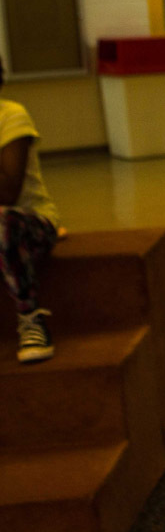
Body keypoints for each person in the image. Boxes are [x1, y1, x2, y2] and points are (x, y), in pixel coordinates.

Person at [0, 56, 60, 363]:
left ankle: (31, 319)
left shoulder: (12, 115)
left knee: (1, 221)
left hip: (27, 223)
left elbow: (8, 192)